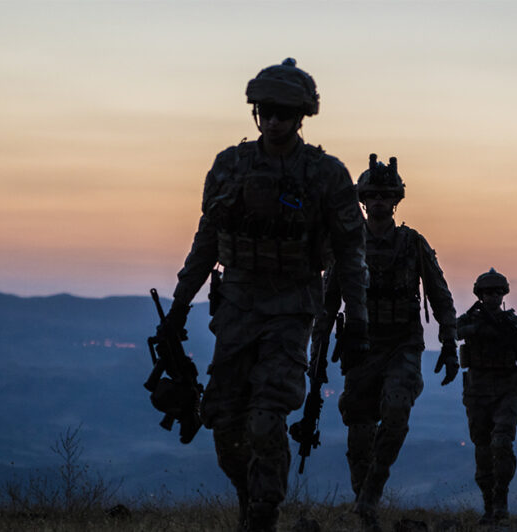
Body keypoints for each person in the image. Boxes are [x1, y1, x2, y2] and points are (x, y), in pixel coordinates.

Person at [163, 58, 369, 532]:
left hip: (291, 308)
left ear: (301, 117)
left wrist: (357, 321)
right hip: (236, 306)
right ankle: (248, 497)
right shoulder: (230, 166)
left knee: (265, 417)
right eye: (266, 112)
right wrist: (179, 306)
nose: (273, 122)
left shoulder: (326, 175)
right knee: (224, 422)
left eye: (283, 113)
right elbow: (207, 240)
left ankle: (263, 515)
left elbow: (350, 253)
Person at [318, 154, 458, 531]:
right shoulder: (348, 244)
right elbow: (327, 302)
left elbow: (440, 294)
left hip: (403, 343)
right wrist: (317, 353)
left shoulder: (412, 243)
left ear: (396, 200)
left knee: (396, 409)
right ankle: (364, 509)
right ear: (363, 200)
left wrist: (449, 342)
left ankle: (371, 494)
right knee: (360, 428)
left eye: (385, 195)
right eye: (373, 195)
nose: (379, 201)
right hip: (361, 346)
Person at [456, 268, 517, 524]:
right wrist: (477, 329)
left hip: (507, 388)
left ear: (504, 294)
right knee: (482, 449)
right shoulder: (468, 320)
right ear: (480, 295)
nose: (493, 297)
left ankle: (501, 501)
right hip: (478, 389)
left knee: (502, 443)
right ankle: (489, 507)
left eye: (497, 292)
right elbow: (452, 333)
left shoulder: (514, 324)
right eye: (488, 292)